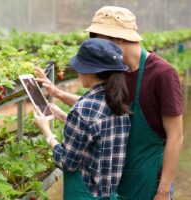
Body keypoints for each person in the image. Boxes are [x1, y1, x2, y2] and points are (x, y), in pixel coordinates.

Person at [35, 6, 183, 200]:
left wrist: (163, 190)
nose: (96, 46)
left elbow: (176, 135)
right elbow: (102, 110)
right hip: (116, 175)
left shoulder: (162, 73)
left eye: (97, 39)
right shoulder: (116, 71)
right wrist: (58, 94)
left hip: (147, 177)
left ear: (118, 38)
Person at [34, 38, 131, 199]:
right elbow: (96, 134)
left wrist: (46, 131)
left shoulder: (83, 109)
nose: (78, 72)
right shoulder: (118, 102)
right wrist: (65, 116)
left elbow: (66, 162)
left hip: (84, 194)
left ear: (90, 70)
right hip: (109, 192)